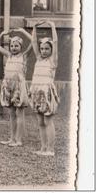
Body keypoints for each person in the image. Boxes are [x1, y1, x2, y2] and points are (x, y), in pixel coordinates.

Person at [0, 28, 32, 147]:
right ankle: (11, 138)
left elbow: (33, 41)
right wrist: (2, 34)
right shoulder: (8, 55)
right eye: (12, 45)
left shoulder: (24, 56)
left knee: (19, 113)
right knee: (11, 113)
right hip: (8, 86)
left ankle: (18, 139)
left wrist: (22, 31)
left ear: (21, 47)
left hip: (19, 87)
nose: (14, 48)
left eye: (16, 46)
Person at [30, 21, 59, 156]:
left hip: (46, 93)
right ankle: (43, 147)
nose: (44, 51)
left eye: (47, 49)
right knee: (40, 121)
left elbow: (56, 42)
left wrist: (52, 26)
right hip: (36, 92)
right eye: (42, 49)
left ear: (51, 50)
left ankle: (51, 149)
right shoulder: (38, 59)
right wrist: (34, 27)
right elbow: (34, 42)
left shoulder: (52, 61)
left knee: (48, 120)